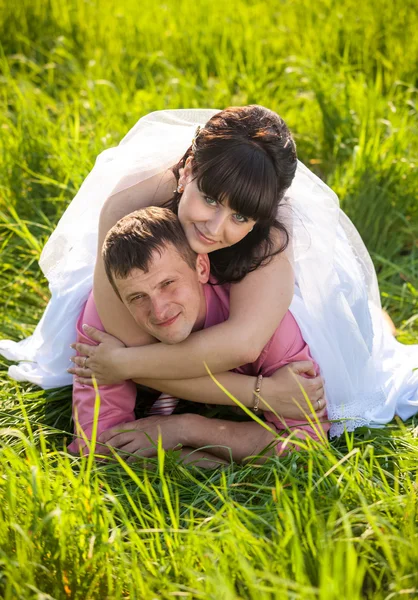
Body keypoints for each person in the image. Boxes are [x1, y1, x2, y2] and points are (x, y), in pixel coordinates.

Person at [1, 107, 417, 438]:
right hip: (149, 303)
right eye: (210, 200)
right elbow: (129, 342)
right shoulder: (128, 205)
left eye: (240, 215)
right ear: (187, 173)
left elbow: (240, 346)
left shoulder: (268, 242)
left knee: (358, 345)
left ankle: (378, 328)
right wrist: (266, 396)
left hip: (242, 316)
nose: (216, 229)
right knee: (116, 322)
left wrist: (129, 372)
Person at [68, 207, 329, 464]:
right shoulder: (106, 325)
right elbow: (99, 447)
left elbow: (305, 444)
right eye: (138, 297)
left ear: (201, 268)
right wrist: (205, 462)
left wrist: (184, 429)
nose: (159, 310)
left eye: (168, 284)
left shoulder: (263, 324)